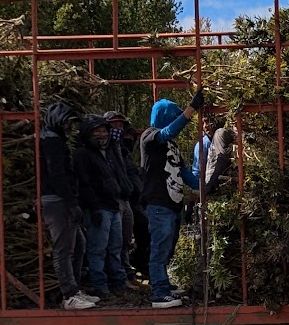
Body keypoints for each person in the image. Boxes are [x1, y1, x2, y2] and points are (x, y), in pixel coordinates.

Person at [139, 90, 204, 308]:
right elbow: (167, 132)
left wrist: (204, 186)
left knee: (168, 247)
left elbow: (184, 171)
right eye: (173, 115)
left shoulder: (171, 146)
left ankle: (164, 285)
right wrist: (190, 110)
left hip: (173, 205)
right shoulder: (150, 136)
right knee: (159, 248)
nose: (177, 118)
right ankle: (158, 293)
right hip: (158, 205)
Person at [38, 102, 94, 309]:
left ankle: (75, 288)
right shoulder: (51, 141)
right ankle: (68, 294)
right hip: (56, 200)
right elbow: (57, 174)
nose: (70, 127)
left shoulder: (54, 139)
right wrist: (71, 202)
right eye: (68, 123)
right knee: (64, 248)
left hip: (62, 199)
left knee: (79, 244)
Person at [74, 114, 131, 299]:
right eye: (97, 130)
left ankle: (119, 284)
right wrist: (93, 207)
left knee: (116, 246)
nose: (102, 134)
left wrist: (125, 191)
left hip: (113, 205)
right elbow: (84, 183)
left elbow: (119, 175)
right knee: (97, 249)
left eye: (104, 130)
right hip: (98, 207)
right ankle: (100, 286)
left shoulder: (110, 151)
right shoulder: (83, 154)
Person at [104, 111, 142, 281]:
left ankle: (126, 272)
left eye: (121, 125)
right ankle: (116, 278)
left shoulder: (122, 149)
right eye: (114, 125)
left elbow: (130, 172)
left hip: (126, 198)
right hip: (112, 200)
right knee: (114, 241)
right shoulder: (103, 149)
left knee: (126, 238)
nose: (118, 128)